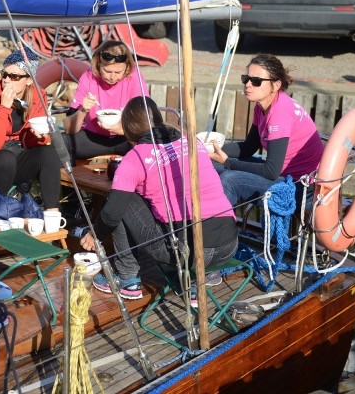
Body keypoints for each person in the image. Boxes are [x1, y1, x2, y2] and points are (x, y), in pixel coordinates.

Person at [80, 96, 237, 300]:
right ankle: (203, 275)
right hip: (228, 245)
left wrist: (95, 235)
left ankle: (127, 279)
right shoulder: (192, 141)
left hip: (191, 252)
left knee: (120, 200)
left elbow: (111, 215)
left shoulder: (134, 158)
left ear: (126, 128)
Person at [209, 54, 324, 208]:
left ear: (275, 85)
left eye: (256, 81)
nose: (248, 85)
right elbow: (249, 147)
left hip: (301, 187)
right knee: (211, 166)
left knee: (229, 180)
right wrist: (206, 149)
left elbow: (271, 171)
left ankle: (221, 230)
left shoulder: (279, 113)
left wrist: (228, 162)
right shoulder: (262, 106)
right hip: (283, 174)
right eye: (246, 79)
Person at [0, 46, 61, 211]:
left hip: (12, 158)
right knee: (5, 159)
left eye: (14, 76)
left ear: (28, 80)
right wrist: (4, 108)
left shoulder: (37, 96)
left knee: (48, 153)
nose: (6, 80)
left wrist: (39, 137)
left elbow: (33, 141)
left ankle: (53, 215)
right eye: (4, 74)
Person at [63, 40, 148, 161]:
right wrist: (83, 110)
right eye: (107, 71)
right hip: (94, 138)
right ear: (98, 65)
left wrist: (120, 129)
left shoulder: (134, 77)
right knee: (60, 143)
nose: (112, 77)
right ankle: (69, 179)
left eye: (118, 72)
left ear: (127, 68)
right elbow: (68, 128)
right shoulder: (89, 77)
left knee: (151, 141)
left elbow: (145, 123)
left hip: (127, 137)